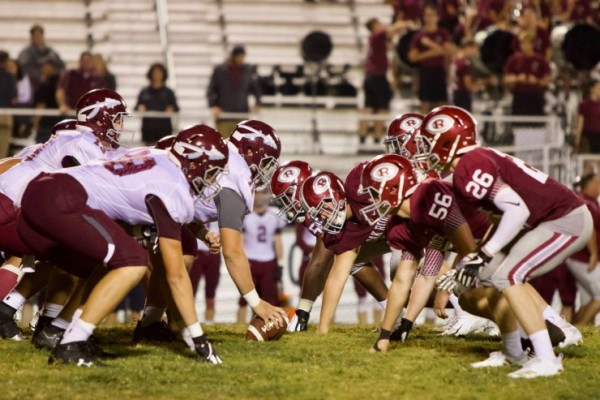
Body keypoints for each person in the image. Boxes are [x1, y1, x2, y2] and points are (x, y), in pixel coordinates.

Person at [15, 125, 228, 366]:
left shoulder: (158, 158)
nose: (213, 179)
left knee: (116, 258)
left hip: (45, 190)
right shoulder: (174, 188)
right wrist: (197, 337)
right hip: (61, 198)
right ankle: (72, 344)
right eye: (212, 171)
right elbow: (176, 274)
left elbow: (120, 208)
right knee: (134, 261)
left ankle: (59, 330)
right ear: (196, 161)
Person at [425, 105, 592, 378]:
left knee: (510, 276)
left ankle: (547, 359)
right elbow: (499, 219)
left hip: (564, 219)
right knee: (492, 273)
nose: (427, 148)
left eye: (429, 140)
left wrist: (484, 253)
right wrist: (474, 260)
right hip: (547, 220)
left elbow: (518, 210)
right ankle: (514, 352)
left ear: (448, 139)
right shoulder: (472, 164)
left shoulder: (469, 166)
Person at [0, 89, 129, 341]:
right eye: (118, 118)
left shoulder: (72, 142)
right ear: (100, 117)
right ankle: (48, 322)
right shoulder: (82, 144)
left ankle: (35, 318)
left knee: (62, 250)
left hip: (12, 203)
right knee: (82, 250)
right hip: (9, 207)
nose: (121, 125)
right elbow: (92, 190)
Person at [190, 120, 289, 328]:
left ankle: (154, 322)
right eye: (265, 161)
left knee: (182, 251)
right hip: (141, 210)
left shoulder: (223, 157)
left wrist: (201, 233)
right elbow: (233, 252)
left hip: (152, 210)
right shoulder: (234, 176)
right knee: (179, 259)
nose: (265, 169)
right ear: (251, 151)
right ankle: (170, 325)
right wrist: (257, 303)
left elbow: (178, 210)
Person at [359, 18, 414, 147]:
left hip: (371, 76)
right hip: (378, 76)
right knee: (382, 107)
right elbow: (392, 29)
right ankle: (377, 137)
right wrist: (407, 22)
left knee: (369, 106)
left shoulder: (375, 40)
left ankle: (363, 136)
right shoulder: (377, 36)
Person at [237, 190, 286, 323]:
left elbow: (278, 240)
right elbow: (240, 240)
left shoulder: (275, 214)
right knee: (245, 299)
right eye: (257, 192)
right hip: (250, 261)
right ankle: (240, 326)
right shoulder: (245, 214)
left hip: (268, 261)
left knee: (270, 299)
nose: (259, 196)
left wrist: (280, 263)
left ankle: (272, 326)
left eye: (262, 193)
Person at [408, 4, 454, 114]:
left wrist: (431, 44)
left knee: (442, 103)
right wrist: (430, 53)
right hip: (425, 72)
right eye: (427, 15)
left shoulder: (443, 33)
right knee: (425, 102)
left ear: (437, 17)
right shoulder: (419, 36)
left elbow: (449, 51)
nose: (429, 18)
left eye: (432, 15)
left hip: (440, 71)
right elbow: (413, 57)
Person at [207, 46, 261, 138]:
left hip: (242, 115)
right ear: (233, 56)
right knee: (224, 144)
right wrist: (213, 105)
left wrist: (258, 103)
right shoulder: (220, 70)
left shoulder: (248, 71)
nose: (241, 60)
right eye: (239, 57)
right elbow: (211, 90)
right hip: (224, 115)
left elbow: (256, 89)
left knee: (240, 145)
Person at [503, 32, 550, 121]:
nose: (524, 46)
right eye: (522, 43)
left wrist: (536, 81)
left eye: (526, 43)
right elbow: (506, 78)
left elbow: (546, 81)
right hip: (519, 96)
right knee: (518, 123)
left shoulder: (540, 60)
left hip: (535, 96)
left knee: (536, 123)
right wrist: (517, 78)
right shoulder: (514, 59)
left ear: (532, 44)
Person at [136, 63, 179, 145]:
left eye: (159, 73)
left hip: (164, 129)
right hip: (149, 129)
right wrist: (140, 108)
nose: (157, 75)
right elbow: (137, 106)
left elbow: (176, 108)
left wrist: (171, 108)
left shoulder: (168, 92)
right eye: (154, 73)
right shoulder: (145, 92)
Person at [189, 221, 221, 324]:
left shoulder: (219, 209)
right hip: (197, 251)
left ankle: (209, 320)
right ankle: (189, 320)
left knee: (211, 291)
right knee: (191, 289)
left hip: (213, 253)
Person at [17, 24, 64, 91]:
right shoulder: (25, 53)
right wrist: (40, 74)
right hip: (33, 87)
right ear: (31, 37)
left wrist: (53, 73)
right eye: (35, 36)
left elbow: (61, 66)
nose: (37, 38)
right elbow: (23, 70)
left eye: (39, 35)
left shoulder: (52, 52)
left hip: (52, 87)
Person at [33, 59, 62, 143]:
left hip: (46, 124)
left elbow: (41, 105)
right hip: (60, 123)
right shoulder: (62, 84)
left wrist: (36, 121)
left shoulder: (45, 85)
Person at [574, 80, 600, 154]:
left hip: (599, 137)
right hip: (587, 136)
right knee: (587, 162)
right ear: (591, 89)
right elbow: (580, 124)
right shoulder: (584, 104)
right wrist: (577, 143)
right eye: (598, 87)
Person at [0, 51, 17, 158]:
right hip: (5, 114)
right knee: (2, 152)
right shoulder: (10, 77)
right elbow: (14, 99)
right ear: (6, 61)